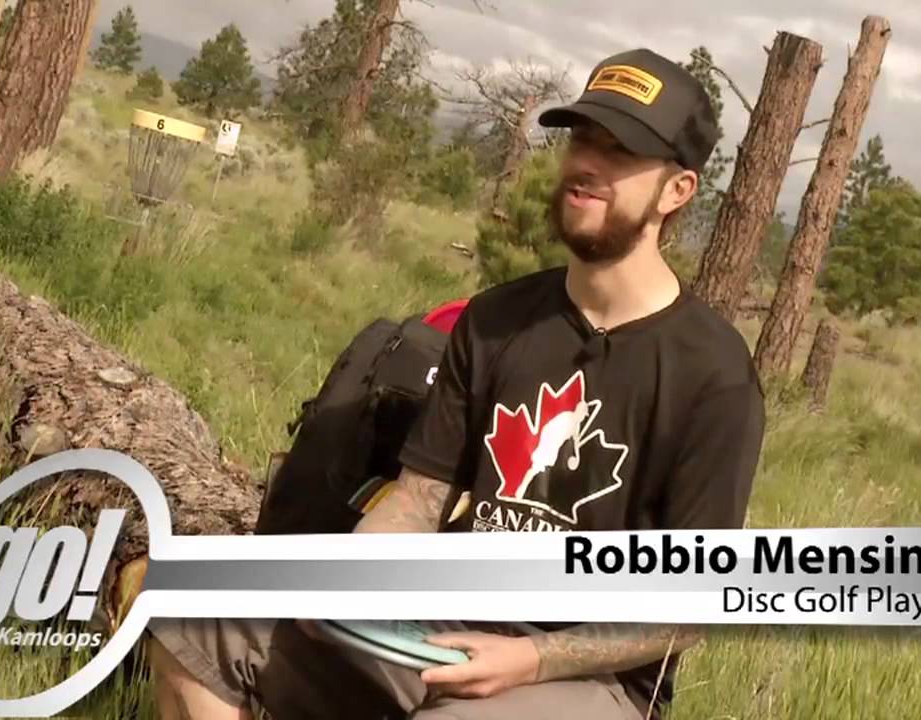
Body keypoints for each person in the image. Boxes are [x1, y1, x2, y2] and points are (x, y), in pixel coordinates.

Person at [146, 47, 766, 720]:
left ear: (678, 190)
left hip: (594, 678)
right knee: (197, 617)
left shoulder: (714, 376)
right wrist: (346, 581)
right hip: (442, 619)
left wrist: (528, 661)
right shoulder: (498, 320)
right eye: (583, 139)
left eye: (620, 152)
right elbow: (418, 500)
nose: (587, 164)